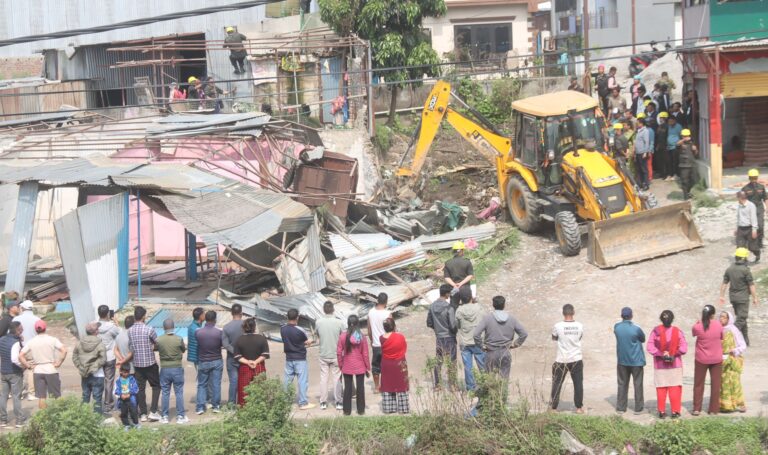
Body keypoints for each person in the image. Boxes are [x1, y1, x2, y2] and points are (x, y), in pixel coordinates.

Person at [473, 296, 528, 381]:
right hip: (505, 352)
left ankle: (492, 394)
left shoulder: (487, 318)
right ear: (504, 305)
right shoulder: (511, 319)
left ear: (493, 305)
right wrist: (515, 344)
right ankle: (503, 394)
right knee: (504, 381)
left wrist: (481, 345)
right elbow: (524, 334)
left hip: (491, 352)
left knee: (490, 380)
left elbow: (476, 334)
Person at [646, 310, 687, 418]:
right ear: (673, 319)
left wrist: (660, 354)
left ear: (661, 319)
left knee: (661, 388)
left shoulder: (655, 331)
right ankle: (675, 412)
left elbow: (650, 347)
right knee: (675, 388)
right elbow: (684, 348)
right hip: (675, 365)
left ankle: (661, 411)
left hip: (660, 365)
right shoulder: (678, 332)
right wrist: (673, 354)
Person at [18, 320, 67, 410]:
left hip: (38, 370)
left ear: (36, 330)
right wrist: (59, 362)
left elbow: (21, 355)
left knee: (42, 396)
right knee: (56, 395)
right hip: (50, 369)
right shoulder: (52, 339)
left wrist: (28, 366)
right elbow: (64, 350)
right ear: (45, 328)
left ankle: (43, 416)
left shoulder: (32, 341)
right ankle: (59, 415)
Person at [127, 306, 162, 422]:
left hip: (137, 364)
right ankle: (153, 411)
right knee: (156, 386)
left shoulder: (130, 331)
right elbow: (157, 343)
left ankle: (142, 413)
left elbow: (132, 346)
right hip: (150, 363)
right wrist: (153, 346)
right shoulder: (149, 329)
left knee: (140, 389)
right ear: (143, 317)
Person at [550, 304, 584, 414]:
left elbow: (554, 337)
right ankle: (578, 408)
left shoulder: (557, 325)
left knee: (557, 383)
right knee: (578, 383)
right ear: (573, 312)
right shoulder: (579, 325)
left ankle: (554, 408)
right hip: (576, 358)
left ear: (563, 313)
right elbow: (579, 337)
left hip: (561, 359)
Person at [719, 247, 757, 346]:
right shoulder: (746, 270)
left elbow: (724, 284)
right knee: (742, 318)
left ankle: (745, 341)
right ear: (744, 258)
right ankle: (727, 335)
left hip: (733, 298)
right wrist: (755, 297)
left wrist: (722, 296)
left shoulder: (729, 269)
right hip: (743, 298)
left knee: (741, 319)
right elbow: (751, 285)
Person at [691, 305, 724, 416]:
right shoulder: (718, 324)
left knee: (698, 384)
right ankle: (713, 409)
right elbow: (721, 337)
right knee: (715, 384)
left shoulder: (698, 326)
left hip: (701, 358)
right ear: (713, 314)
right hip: (716, 358)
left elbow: (694, 332)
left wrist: (697, 323)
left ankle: (696, 408)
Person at [614, 307, 646, 415]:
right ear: (631, 316)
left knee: (622, 383)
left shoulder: (617, 327)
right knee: (638, 384)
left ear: (622, 315)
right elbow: (643, 339)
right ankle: (638, 408)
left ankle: (621, 408)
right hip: (636, 360)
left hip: (622, 360)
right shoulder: (636, 328)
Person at [156, 318, 188, 424]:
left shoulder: (159, 339)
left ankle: (164, 416)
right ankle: (180, 416)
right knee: (179, 392)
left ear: (164, 327)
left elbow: (156, 348)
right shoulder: (179, 339)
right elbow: (183, 350)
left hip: (164, 368)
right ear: (173, 327)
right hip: (177, 368)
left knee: (165, 392)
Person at [337, 315, 370, 416]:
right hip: (360, 366)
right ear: (357, 324)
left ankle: (347, 411)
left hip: (347, 366)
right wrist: (367, 367)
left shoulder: (342, 336)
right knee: (360, 388)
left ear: (347, 323)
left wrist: (341, 364)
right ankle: (361, 410)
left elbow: (339, 352)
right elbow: (365, 353)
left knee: (347, 388)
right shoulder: (362, 336)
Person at [281, 308, 314, 410]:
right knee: (302, 381)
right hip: (300, 358)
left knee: (287, 380)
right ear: (297, 318)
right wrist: (310, 341)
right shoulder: (300, 330)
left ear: (287, 317)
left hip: (289, 358)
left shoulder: (282, 329)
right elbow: (306, 341)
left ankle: (284, 401)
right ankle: (303, 402)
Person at [315, 301, 345, 410]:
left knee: (324, 379)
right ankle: (338, 402)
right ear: (333, 309)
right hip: (336, 354)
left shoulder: (318, 322)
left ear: (324, 310)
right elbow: (343, 337)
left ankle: (323, 402)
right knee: (337, 378)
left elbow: (318, 335)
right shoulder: (339, 323)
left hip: (323, 354)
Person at [427, 284, 458, 389]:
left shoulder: (432, 306)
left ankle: (438, 385)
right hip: (449, 337)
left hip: (439, 337)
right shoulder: (449, 307)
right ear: (447, 294)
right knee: (452, 361)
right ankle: (452, 385)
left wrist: (437, 329)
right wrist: (454, 331)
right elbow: (453, 325)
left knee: (439, 361)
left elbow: (429, 322)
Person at [233, 318, 269, 406]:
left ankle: (244, 409)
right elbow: (265, 354)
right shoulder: (261, 338)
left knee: (244, 390)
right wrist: (255, 362)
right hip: (259, 367)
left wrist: (248, 362)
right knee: (260, 389)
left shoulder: (239, 339)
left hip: (245, 368)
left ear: (244, 327)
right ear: (254, 327)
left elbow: (237, 356)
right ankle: (260, 407)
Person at [73, 321, 107, 415]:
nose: (98, 330)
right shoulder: (100, 344)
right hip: (98, 374)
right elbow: (103, 359)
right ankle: (96, 421)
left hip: (84, 374)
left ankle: (83, 419)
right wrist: (94, 368)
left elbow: (74, 356)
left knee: (85, 396)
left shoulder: (79, 343)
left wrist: (80, 367)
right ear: (96, 331)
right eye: (97, 328)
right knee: (97, 398)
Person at [455, 294, 486, 391]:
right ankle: (486, 385)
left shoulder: (459, 310)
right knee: (482, 365)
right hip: (478, 341)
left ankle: (470, 388)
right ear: (471, 297)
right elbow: (484, 320)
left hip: (465, 342)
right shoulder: (479, 308)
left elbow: (457, 325)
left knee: (468, 366)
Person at [195, 310, 223, 414]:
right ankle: (216, 406)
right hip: (216, 360)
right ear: (215, 319)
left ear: (205, 319)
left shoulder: (198, 332)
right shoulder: (219, 332)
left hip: (203, 361)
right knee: (216, 384)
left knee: (202, 384)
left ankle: (200, 407)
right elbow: (222, 344)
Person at [379, 318, 409, 414]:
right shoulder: (400, 337)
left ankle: (389, 408)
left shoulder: (381, 338)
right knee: (401, 384)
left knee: (388, 384)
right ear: (394, 326)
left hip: (387, 363)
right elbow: (404, 347)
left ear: (384, 328)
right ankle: (403, 408)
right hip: (399, 363)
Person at [719, 311, 747, 413]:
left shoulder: (734, 330)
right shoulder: (718, 330)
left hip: (732, 360)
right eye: (720, 317)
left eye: (724, 317)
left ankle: (741, 404)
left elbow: (743, 345)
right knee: (724, 383)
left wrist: (734, 351)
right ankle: (726, 406)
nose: (721, 319)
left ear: (728, 319)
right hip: (722, 361)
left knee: (735, 382)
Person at [0, 322, 26, 427]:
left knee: (3, 396)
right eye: (21, 329)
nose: (22, 331)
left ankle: (3, 420)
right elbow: (15, 359)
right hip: (14, 372)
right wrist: (23, 366)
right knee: (16, 396)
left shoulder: (1, 340)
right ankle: (19, 420)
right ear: (17, 330)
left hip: (3, 372)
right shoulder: (15, 343)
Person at [95, 305, 120, 412]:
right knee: (109, 381)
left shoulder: (94, 325)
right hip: (110, 356)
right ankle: (108, 404)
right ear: (108, 314)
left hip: (98, 356)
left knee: (97, 379)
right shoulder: (112, 327)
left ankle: (97, 402)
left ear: (98, 313)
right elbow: (121, 334)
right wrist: (117, 323)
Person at [13, 300, 39, 401]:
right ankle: (31, 393)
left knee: (19, 369)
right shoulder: (37, 319)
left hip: (19, 347)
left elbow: (10, 331)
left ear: (22, 308)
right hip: (32, 348)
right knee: (31, 369)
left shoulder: (16, 318)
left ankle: (19, 392)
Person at [367, 293, 390, 394]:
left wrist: (372, 340)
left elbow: (369, 330)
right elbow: (392, 330)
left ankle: (377, 387)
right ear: (386, 302)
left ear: (377, 300)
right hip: (386, 344)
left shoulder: (370, 312)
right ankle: (386, 385)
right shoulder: (387, 314)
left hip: (376, 344)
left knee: (376, 366)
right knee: (387, 366)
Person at [222, 304, 244, 405]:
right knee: (244, 382)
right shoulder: (246, 325)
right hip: (245, 357)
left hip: (232, 358)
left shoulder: (226, 327)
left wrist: (235, 352)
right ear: (241, 313)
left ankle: (231, 404)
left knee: (233, 382)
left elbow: (225, 344)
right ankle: (243, 402)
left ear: (231, 313)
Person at [742, 168, 767, 254]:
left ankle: (759, 243)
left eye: (755, 177)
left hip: (759, 208)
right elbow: (742, 201)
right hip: (749, 210)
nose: (754, 179)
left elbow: (765, 198)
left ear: (757, 177)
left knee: (760, 225)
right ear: (749, 178)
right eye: (752, 178)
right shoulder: (745, 188)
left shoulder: (761, 187)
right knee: (750, 227)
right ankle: (751, 243)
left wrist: (767, 208)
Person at [444, 241, 474, 309]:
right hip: (465, 288)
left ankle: (454, 318)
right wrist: (461, 284)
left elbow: (446, 277)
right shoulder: (467, 262)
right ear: (461, 251)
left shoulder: (448, 263)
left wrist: (454, 285)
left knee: (454, 306)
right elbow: (470, 275)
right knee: (468, 307)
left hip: (453, 289)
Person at [735, 190, 759, 261]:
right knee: (740, 247)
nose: (737, 199)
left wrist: (754, 230)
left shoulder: (751, 205)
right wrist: (736, 228)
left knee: (752, 247)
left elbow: (754, 218)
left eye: (737, 197)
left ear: (740, 198)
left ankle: (757, 253)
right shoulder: (739, 205)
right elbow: (738, 217)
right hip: (741, 228)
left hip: (749, 228)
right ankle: (742, 260)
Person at [114, 363, 140, 430]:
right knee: (124, 412)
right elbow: (116, 390)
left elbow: (136, 388)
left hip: (131, 398)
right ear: (120, 371)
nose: (126, 374)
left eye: (127, 372)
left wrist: (130, 393)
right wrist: (121, 394)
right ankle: (126, 425)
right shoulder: (118, 381)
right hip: (122, 399)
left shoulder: (132, 379)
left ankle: (136, 423)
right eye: (124, 372)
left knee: (133, 412)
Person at [676, 128, 698, 200]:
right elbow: (677, 144)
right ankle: (685, 197)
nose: (686, 137)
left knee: (694, 180)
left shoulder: (692, 142)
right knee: (684, 181)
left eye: (687, 136)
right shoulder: (680, 143)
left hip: (692, 164)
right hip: (684, 165)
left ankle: (688, 192)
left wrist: (695, 150)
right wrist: (683, 140)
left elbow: (696, 154)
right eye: (684, 136)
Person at [634, 118, 653, 190]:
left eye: (638, 123)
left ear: (641, 123)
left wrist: (645, 152)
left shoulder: (645, 131)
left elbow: (646, 142)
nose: (637, 124)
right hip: (638, 152)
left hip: (642, 152)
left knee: (644, 169)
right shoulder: (638, 131)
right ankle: (640, 183)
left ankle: (646, 184)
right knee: (639, 169)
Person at [665, 116, 683, 181]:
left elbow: (681, 136)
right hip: (668, 146)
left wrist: (679, 143)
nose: (670, 123)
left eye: (671, 121)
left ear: (674, 121)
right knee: (669, 162)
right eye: (669, 121)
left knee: (675, 161)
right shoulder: (668, 126)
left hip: (675, 146)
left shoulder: (679, 127)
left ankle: (676, 175)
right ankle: (670, 174)